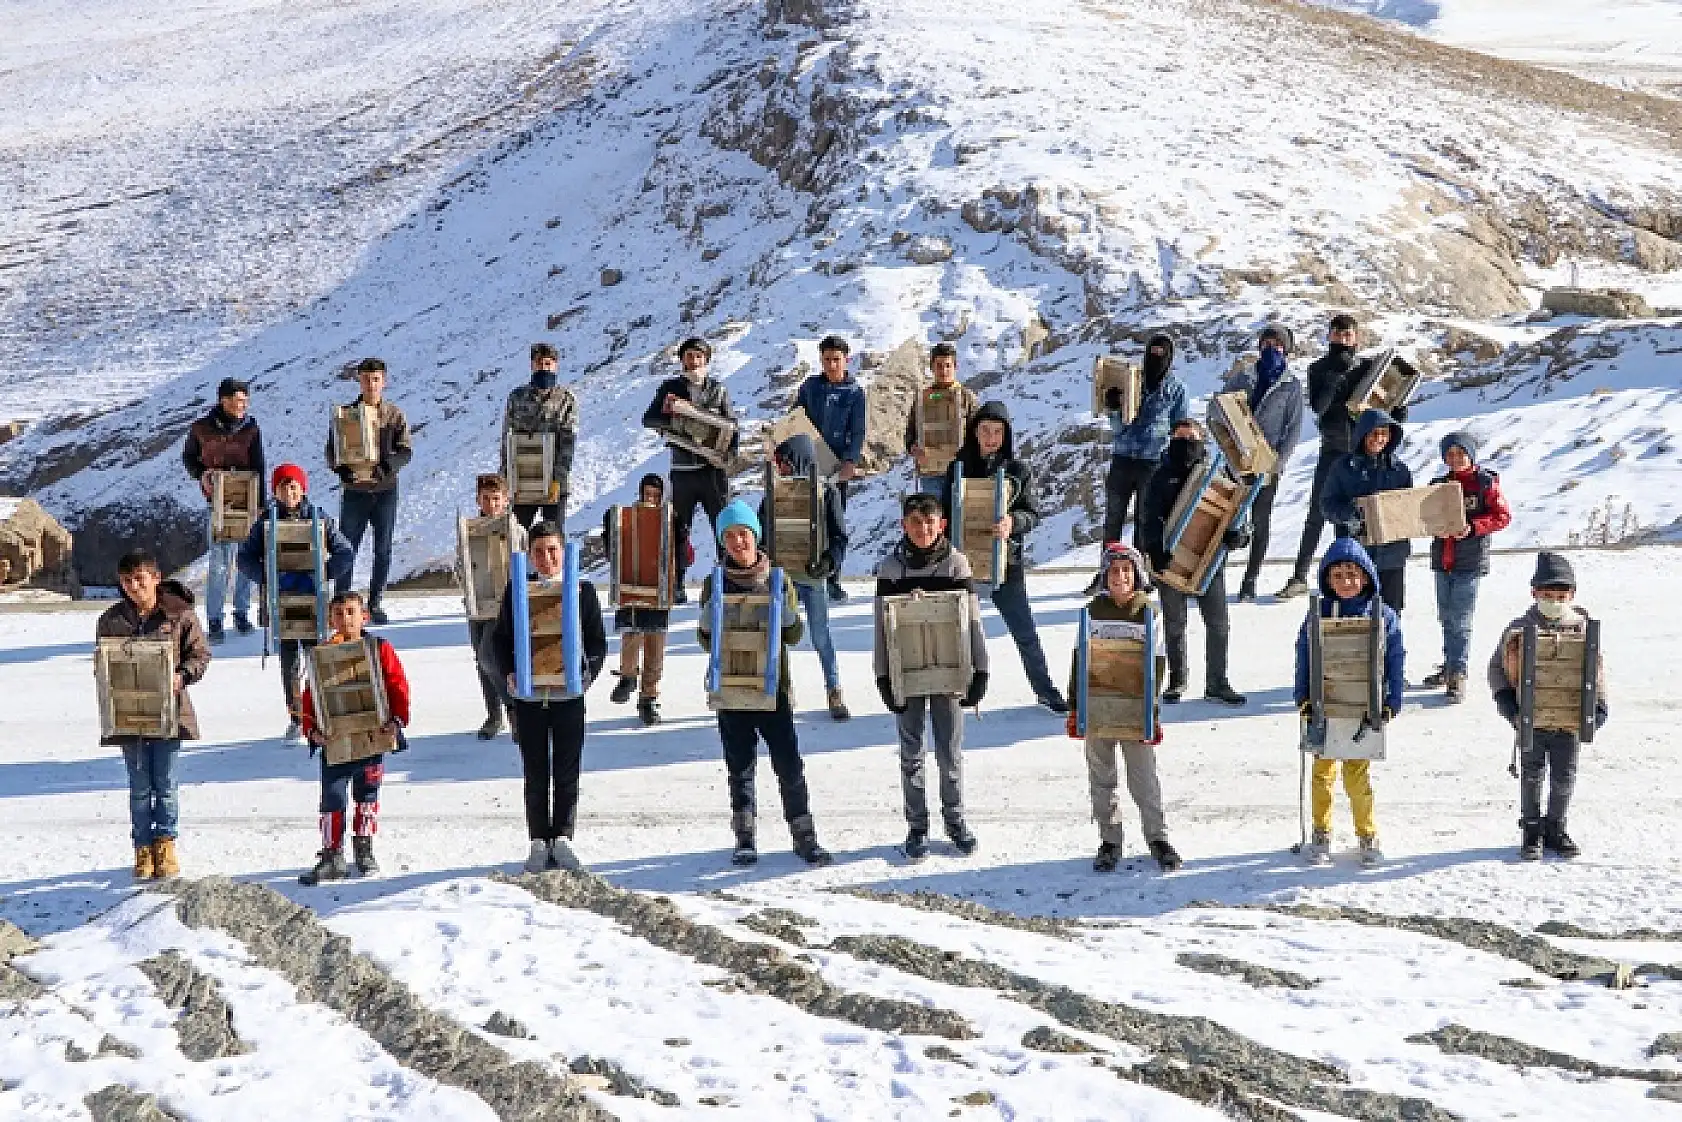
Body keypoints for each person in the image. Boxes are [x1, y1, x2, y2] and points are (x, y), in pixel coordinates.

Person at [697, 500, 832, 867]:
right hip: (731, 688)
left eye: (743, 534)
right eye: (730, 536)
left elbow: (794, 634)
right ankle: (745, 837)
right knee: (740, 767)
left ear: (755, 536)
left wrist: (788, 614)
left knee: (789, 764)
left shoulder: (778, 578)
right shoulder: (714, 582)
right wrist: (708, 622)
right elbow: (706, 642)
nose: (738, 542)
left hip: (773, 690)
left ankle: (804, 836)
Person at [873, 493, 988, 860]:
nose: (922, 530)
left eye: (929, 522)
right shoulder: (891, 569)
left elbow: (972, 621)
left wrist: (980, 670)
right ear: (904, 526)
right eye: (915, 523)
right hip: (906, 672)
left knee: (950, 753)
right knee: (912, 753)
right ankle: (917, 826)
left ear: (942, 525)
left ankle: (955, 821)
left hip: (950, 672)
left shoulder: (956, 564)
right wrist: (883, 677)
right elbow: (881, 627)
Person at [491, 520, 608, 873]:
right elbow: (499, 641)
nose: (546, 558)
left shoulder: (581, 591)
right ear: (529, 555)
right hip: (529, 700)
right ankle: (539, 839)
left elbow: (597, 643)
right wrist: (510, 673)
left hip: (568, 699)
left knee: (568, 769)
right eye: (539, 552)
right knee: (535, 770)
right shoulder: (518, 591)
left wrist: (583, 677)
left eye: (553, 550)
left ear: (563, 551)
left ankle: (564, 836)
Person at [944, 401, 1068, 713]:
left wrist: (1013, 523)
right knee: (959, 633)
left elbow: (1032, 513)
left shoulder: (1017, 471)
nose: (991, 437)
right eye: (985, 430)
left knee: (1024, 632)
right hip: (963, 565)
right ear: (974, 432)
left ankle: (1046, 690)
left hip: (1006, 563)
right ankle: (954, 692)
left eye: (997, 432)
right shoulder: (958, 467)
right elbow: (944, 513)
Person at [96, 549, 212, 880]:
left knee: (166, 783)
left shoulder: (180, 615)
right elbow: (103, 662)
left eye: (139, 579)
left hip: (169, 712)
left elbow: (200, 654)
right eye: (126, 581)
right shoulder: (110, 620)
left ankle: (166, 843)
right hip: (129, 715)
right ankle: (142, 847)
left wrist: (182, 675)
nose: (133, 587)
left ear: (156, 578)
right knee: (138, 785)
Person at [1066, 543, 1180, 873]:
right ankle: (1110, 840)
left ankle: (1157, 837)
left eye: (1126, 571)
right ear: (1105, 576)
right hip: (1098, 705)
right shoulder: (1091, 611)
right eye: (1114, 571)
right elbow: (1079, 661)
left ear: (1137, 575)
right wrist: (1075, 707)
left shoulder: (1149, 613)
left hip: (1135, 708)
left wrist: (1152, 713)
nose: (1120, 577)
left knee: (1143, 777)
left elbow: (1157, 667)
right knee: (1102, 777)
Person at [1488, 553, 1607, 861]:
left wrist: (1599, 704)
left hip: (1568, 719)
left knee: (1564, 777)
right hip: (1531, 719)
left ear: (1572, 595)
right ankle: (1531, 828)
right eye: (1547, 595)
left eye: (1560, 596)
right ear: (1534, 593)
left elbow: (1597, 668)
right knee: (1531, 774)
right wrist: (1506, 702)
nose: (1554, 601)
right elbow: (1496, 667)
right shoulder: (1518, 627)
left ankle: (1556, 826)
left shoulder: (1581, 627)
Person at [1279, 315, 1408, 598]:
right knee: (1318, 513)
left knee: (1369, 513)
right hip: (1333, 449)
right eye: (1337, 333)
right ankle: (1300, 576)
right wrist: (1339, 374)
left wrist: (1397, 412)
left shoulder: (1368, 369)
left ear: (1356, 338)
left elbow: (1382, 407)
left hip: (1365, 452)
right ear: (1329, 337)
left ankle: (1367, 574)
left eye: (1347, 334)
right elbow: (1320, 406)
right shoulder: (1319, 369)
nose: (1342, 338)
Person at [1293, 538, 1404, 867]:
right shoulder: (1318, 613)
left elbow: (1395, 658)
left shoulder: (1382, 614)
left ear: (1367, 577)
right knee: (1322, 774)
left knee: (1357, 776)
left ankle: (1367, 834)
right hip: (1325, 706)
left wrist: (1391, 700)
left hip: (1362, 708)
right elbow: (1304, 654)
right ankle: (1320, 832)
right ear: (1327, 579)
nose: (1346, 582)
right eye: (1338, 575)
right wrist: (1303, 697)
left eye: (1352, 575)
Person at [297, 591, 411, 885]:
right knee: (332, 796)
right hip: (335, 740)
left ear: (364, 616)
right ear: (331, 618)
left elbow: (397, 683)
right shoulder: (321, 654)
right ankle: (332, 854)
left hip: (373, 736)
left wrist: (397, 720)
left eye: (351, 612)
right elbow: (310, 697)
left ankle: (364, 848)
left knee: (367, 795)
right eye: (338, 613)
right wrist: (311, 730)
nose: (345, 619)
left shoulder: (379, 647)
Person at [236, 464, 355, 742]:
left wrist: (323, 572)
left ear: (303, 489)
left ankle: (322, 713)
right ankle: (296, 717)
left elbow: (344, 551)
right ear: (274, 491)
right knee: (289, 664)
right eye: (282, 487)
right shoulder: (265, 521)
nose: (288, 492)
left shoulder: (319, 518)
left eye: (293, 486)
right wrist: (267, 576)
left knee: (317, 658)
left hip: (313, 600)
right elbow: (244, 558)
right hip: (281, 603)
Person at [1137, 419, 1249, 705]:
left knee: (1218, 623)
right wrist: (1154, 550)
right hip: (1171, 560)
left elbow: (1240, 517)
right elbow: (1148, 519)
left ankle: (1217, 682)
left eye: (1192, 438)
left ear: (1202, 442)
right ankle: (1177, 679)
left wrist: (1239, 536)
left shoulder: (1219, 475)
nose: (1186, 443)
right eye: (1180, 437)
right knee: (1175, 623)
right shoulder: (1160, 477)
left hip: (1210, 561)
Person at [1091, 334, 1189, 596]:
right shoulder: (1129, 379)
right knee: (1113, 520)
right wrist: (1113, 408)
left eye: (1162, 353)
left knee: (1144, 523)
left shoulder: (1176, 390)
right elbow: (1117, 424)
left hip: (1153, 462)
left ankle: (1139, 576)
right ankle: (1106, 575)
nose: (1156, 357)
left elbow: (1180, 427)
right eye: (1152, 351)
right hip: (1123, 457)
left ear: (1169, 357)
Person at [761, 434, 850, 720]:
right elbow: (761, 533)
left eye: (785, 463)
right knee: (778, 635)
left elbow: (839, 537)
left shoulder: (826, 492)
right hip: (782, 579)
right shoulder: (774, 493)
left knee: (821, 635)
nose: (782, 470)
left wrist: (829, 562)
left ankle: (834, 688)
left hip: (813, 578)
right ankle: (781, 690)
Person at [643, 337, 738, 603]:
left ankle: (729, 579)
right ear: (682, 360)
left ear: (706, 360)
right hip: (683, 470)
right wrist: (673, 415)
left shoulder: (718, 390)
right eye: (688, 356)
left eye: (698, 356)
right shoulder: (670, 388)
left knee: (723, 527)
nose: (693, 361)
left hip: (712, 471)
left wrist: (729, 455)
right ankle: (677, 584)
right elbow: (649, 418)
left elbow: (732, 425)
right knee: (678, 529)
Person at [1217, 326, 1304, 602]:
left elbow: (1293, 428)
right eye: (1266, 342)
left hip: (1266, 465)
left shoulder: (1291, 386)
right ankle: (1214, 574)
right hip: (1236, 460)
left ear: (1286, 349)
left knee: (1260, 521)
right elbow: (1219, 406)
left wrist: (1277, 463)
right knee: (1225, 516)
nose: (1271, 348)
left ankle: (1250, 580)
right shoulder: (1244, 377)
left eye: (1277, 344)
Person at [1421, 432, 1510, 702]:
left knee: (1460, 620)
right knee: (1446, 616)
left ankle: (1458, 674)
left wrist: (1473, 528)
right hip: (1443, 559)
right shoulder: (1438, 484)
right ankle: (1450, 667)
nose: (1455, 458)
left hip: (1469, 560)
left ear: (1471, 454)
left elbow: (1502, 516)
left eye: (1460, 453)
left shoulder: (1485, 483)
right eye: (1450, 454)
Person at [325, 357, 413, 623]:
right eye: (366, 379)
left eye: (375, 379)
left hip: (385, 490)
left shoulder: (394, 414)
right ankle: (341, 604)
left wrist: (386, 467)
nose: (371, 384)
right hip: (354, 492)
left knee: (383, 549)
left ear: (383, 381)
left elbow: (406, 451)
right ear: (359, 381)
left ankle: (374, 604)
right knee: (346, 547)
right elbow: (332, 451)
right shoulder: (346, 415)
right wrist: (343, 470)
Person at [182, 377, 265, 643]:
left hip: (246, 499)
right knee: (219, 563)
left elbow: (259, 465)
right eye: (237, 400)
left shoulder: (251, 429)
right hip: (216, 500)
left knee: (245, 560)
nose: (242, 405)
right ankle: (214, 618)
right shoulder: (201, 429)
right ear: (223, 401)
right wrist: (202, 474)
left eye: (245, 400)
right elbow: (189, 458)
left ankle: (241, 612)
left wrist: (260, 504)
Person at [604, 473, 687, 726]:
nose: (651, 499)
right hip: (631, 587)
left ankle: (649, 697)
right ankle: (628, 676)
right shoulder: (627, 517)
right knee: (631, 636)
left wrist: (677, 583)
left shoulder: (671, 519)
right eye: (647, 494)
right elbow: (613, 544)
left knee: (655, 646)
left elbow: (681, 552)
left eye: (655, 495)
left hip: (658, 590)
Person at [1320, 408, 1412, 614]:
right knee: (1356, 613)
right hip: (1356, 556)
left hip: (1392, 555)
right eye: (1374, 433)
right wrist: (1348, 516)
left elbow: (1408, 509)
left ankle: (1390, 647)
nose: (1379, 439)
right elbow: (1327, 503)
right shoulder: (1343, 467)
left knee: (1391, 612)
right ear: (1362, 434)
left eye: (1384, 433)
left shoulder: (1400, 470)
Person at [796, 335, 867, 601]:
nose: (831, 365)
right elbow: (795, 420)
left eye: (836, 359)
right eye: (826, 360)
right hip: (807, 466)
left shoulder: (855, 393)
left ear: (846, 360)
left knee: (834, 524)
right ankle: (805, 580)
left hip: (836, 467)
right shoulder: (810, 387)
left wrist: (850, 461)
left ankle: (833, 579)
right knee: (806, 524)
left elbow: (858, 431)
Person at [464, 473, 526, 740]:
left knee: (489, 657)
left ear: (506, 499)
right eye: (486, 499)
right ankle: (493, 714)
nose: (491, 505)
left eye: (496, 499)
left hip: (503, 605)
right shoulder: (469, 529)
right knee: (480, 659)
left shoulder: (515, 530)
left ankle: (513, 709)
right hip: (476, 602)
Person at [501, 342, 578, 529]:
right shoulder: (517, 397)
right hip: (523, 480)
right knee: (517, 536)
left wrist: (557, 480)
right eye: (539, 363)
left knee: (553, 535)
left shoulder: (566, 399)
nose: (543, 367)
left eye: (548, 363)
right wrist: (505, 478)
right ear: (532, 365)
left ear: (555, 365)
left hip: (554, 481)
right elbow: (507, 439)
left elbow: (568, 442)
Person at [905, 342, 977, 496]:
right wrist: (912, 447)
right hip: (930, 473)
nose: (943, 370)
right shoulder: (922, 398)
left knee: (957, 518)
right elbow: (910, 432)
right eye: (939, 365)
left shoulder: (966, 397)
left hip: (960, 471)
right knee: (934, 518)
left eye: (947, 365)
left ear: (955, 367)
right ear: (932, 368)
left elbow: (977, 432)